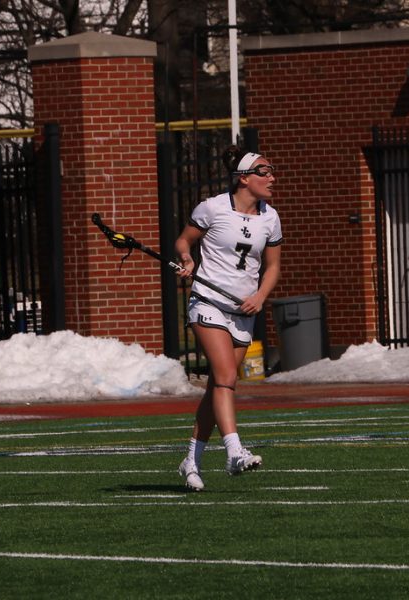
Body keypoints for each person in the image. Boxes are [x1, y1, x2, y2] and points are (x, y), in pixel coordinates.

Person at [174, 146, 283, 491]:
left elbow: (274, 267)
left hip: (242, 312)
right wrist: (187, 261)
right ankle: (234, 451)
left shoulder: (271, 217)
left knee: (217, 388)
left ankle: (191, 459)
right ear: (243, 178)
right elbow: (183, 241)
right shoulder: (212, 208)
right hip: (208, 302)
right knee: (224, 376)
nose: (271, 178)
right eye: (264, 172)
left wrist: (260, 297)